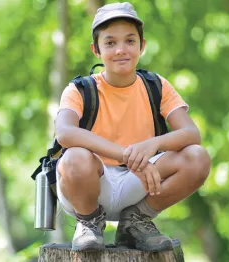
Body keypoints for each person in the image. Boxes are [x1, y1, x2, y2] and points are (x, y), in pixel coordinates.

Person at [55, 2, 211, 252]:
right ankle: (88, 223)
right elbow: (65, 133)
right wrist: (128, 155)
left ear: (142, 45)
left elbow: (192, 134)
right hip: (89, 186)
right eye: (110, 43)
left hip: (140, 185)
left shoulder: (156, 86)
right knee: (74, 157)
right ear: (96, 50)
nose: (120, 50)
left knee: (198, 157)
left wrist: (153, 145)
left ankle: (136, 221)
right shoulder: (81, 89)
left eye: (130, 41)